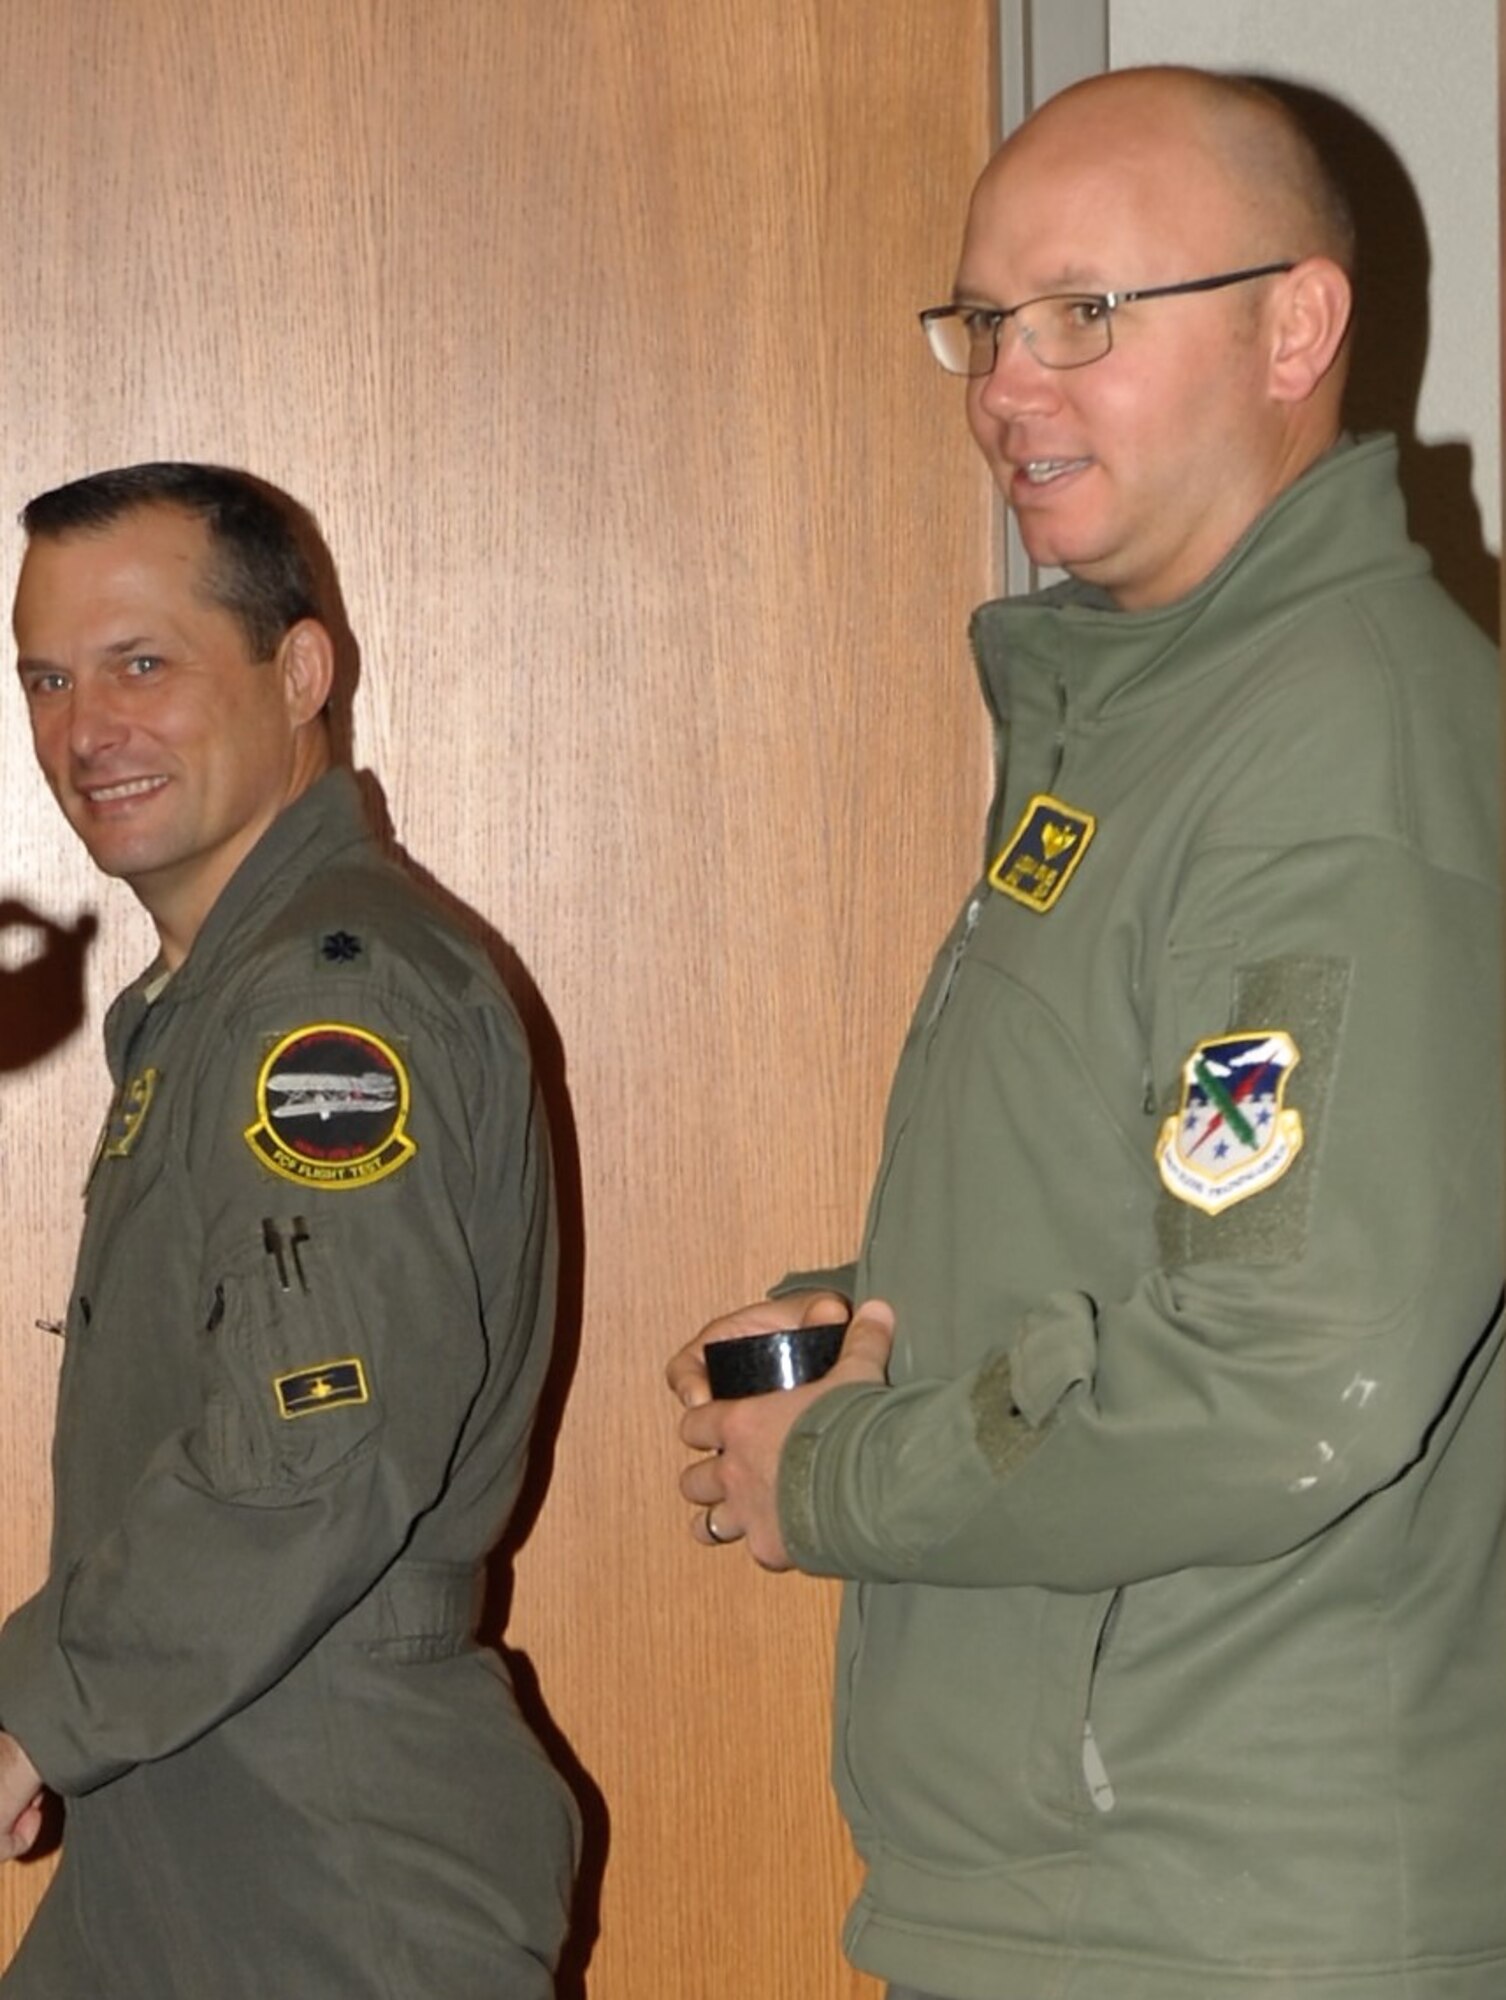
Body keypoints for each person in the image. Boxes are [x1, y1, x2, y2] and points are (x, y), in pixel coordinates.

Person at [670, 65, 1504, 2000]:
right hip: (1092, 1898)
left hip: (1204, 1915)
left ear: (1297, 326)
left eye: (1087, 316)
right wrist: (874, 1320)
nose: (1006, 387)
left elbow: (1293, 1370)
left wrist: (841, 1475)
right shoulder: (1156, 718)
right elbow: (1186, 1222)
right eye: (983, 323)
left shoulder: (1331, 747)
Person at [0, 463, 579, 1996]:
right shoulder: (218, 1009)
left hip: (322, 1860)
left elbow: (308, 1452)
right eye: (46, 678)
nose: (83, 728)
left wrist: (35, 1710)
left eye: (142, 663)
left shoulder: (330, 1011)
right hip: (200, 1833)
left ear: (300, 671)